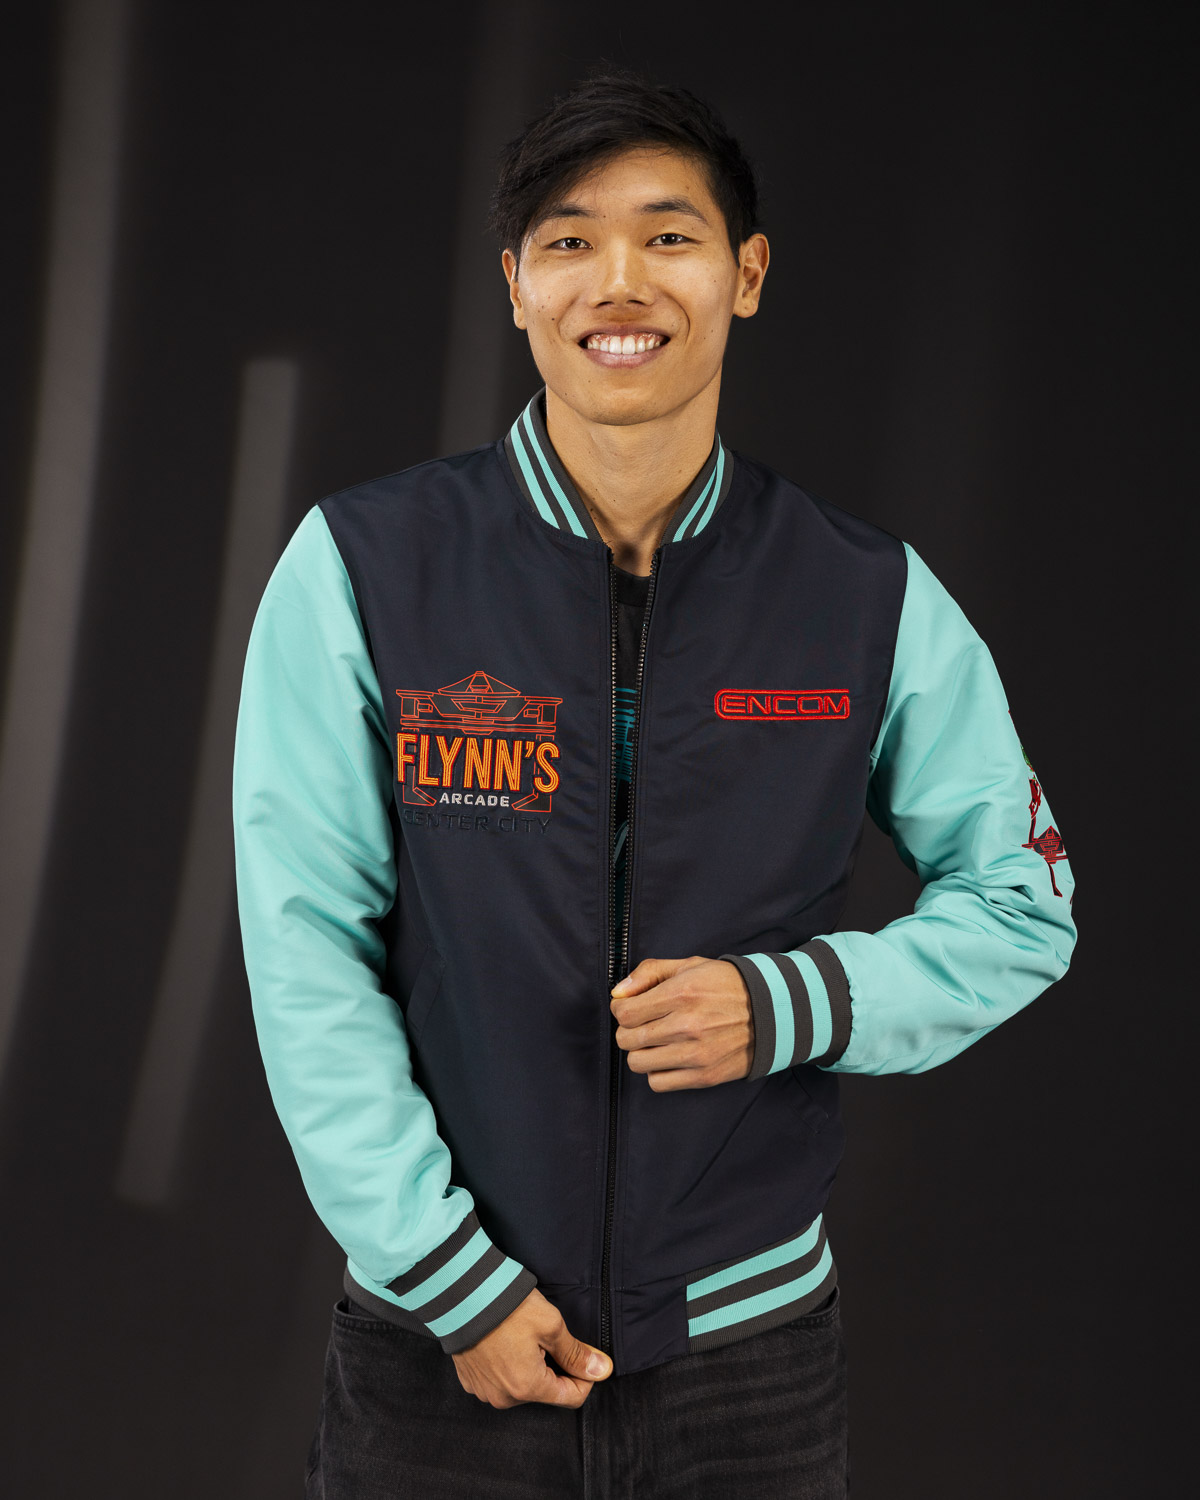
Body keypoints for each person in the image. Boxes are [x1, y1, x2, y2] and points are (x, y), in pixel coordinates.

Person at [232, 69, 1077, 1499]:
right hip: (438, 1346)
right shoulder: (363, 569)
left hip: (750, 1362)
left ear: (747, 274)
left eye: (669, 236)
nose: (619, 281)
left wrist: (787, 1002)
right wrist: (447, 1277)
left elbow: (1023, 905)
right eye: (569, 240)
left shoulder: (863, 596)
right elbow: (307, 945)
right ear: (516, 285)